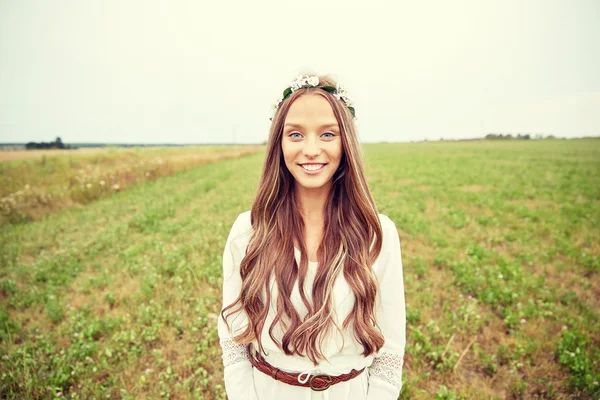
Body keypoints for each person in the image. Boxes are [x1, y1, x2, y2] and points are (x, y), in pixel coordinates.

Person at [218, 73, 406, 400]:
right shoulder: (248, 230)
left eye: (327, 134)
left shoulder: (378, 233)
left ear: (345, 142)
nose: (311, 149)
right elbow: (234, 339)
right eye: (295, 134)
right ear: (279, 143)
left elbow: (390, 349)